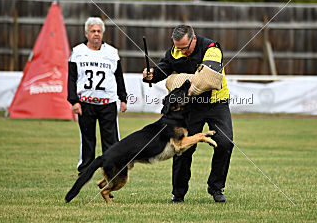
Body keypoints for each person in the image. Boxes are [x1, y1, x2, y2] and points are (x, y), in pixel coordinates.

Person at [143, 24, 233, 203]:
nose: (181, 51)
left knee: (224, 143)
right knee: (183, 147)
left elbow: (206, 80)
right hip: (191, 106)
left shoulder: (211, 49)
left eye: (185, 48)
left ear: (193, 39)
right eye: (178, 47)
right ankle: (178, 193)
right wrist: (153, 74)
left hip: (216, 102)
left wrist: (177, 81)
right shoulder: (176, 50)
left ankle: (216, 187)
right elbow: (165, 66)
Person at [67, 17, 128, 176]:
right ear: (86, 33)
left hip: (107, 103)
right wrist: (74, 100)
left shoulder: (112, 53)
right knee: (87, 139)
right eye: (93, 31)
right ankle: (85, 170)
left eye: (99, 31)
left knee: (111, 140)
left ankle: (112, 171)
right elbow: (72, 78)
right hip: (86, 102)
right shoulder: (78, 52)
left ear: (103, 33)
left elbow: (119, 77)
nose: (96, 34)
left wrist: (123, 98)